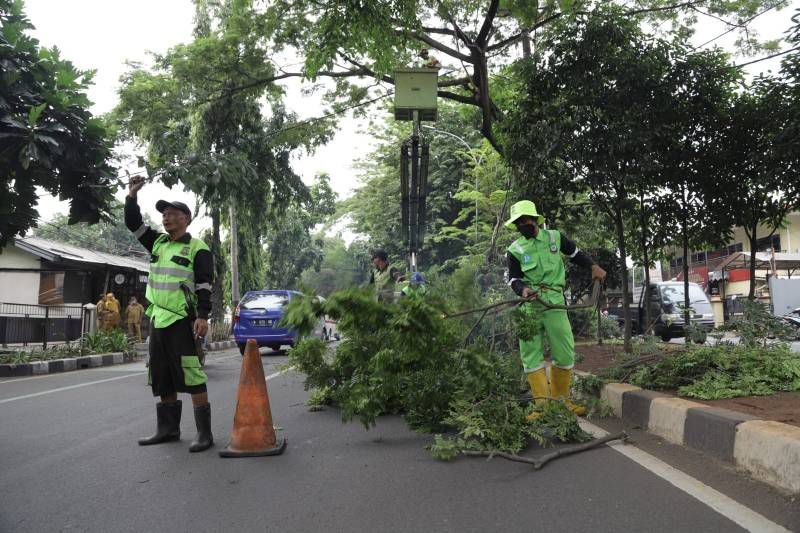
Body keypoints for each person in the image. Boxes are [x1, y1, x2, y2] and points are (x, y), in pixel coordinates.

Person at [125, 175, 214, 453]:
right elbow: (133, 223)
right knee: (161, 372)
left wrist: (202, 315)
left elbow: (204, 284)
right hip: (158, 320)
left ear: (186, 218)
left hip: (181, 320)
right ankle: (168, 429)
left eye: (173, 214)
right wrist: (131, 196)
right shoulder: (158, 243)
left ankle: (204, 433)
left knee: (191, 372)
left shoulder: (197, 247)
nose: (166, 218)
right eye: (164, 214)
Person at [505, 200, 606, 419]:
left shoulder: (554, 238)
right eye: (518, 222)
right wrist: (522, 290)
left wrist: (593, 266)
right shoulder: (514, 249)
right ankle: (542, 407)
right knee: (530, 354)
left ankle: (562, 402)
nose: (523, 225)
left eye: (526, 220)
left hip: (554, 303)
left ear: (535, 219)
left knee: (564, 351)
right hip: (530, 306)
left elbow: (575, 253)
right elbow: (513, 279)